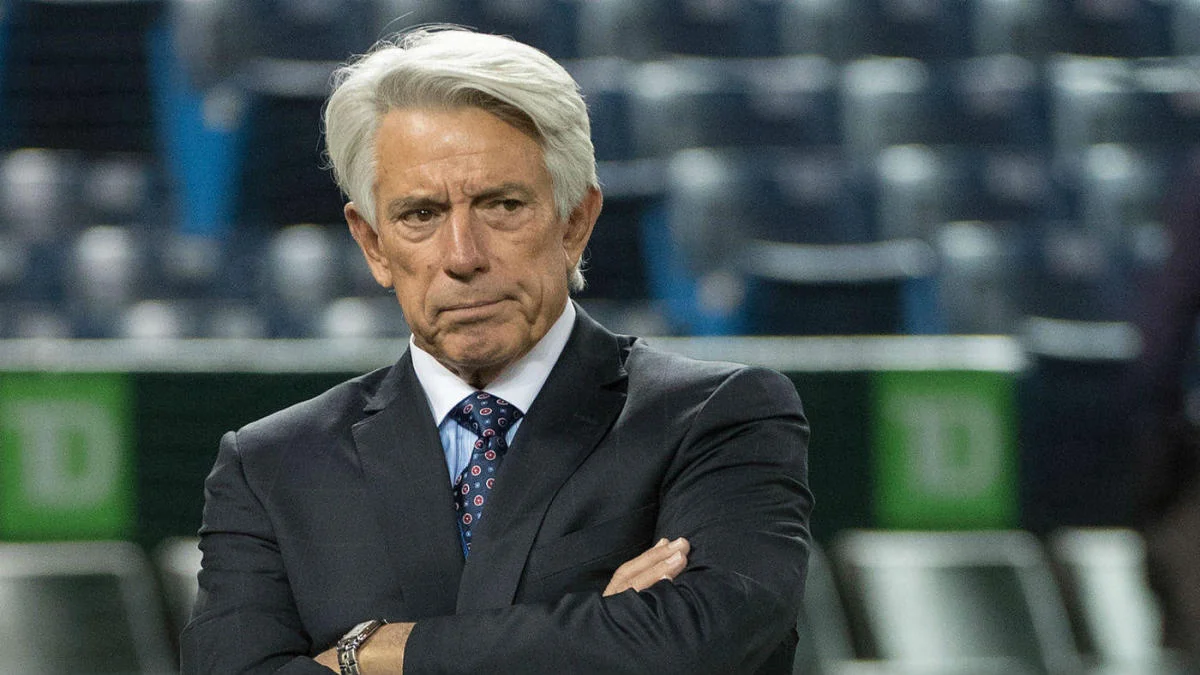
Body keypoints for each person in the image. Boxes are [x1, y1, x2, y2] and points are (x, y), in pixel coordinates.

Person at [181, 26, 812, 675]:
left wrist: (371, 651)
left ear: (575, 221)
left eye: (502, 205)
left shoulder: (721, 416)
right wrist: (595, 632)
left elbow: (694, 642)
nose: (462, 256)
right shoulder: (269, 467)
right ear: (373, 245)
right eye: (420, 215)